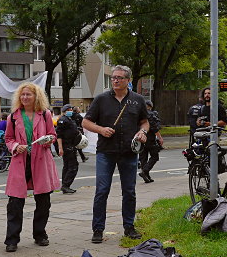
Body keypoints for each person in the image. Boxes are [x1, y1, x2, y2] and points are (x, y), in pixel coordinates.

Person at [83, 65, 149, 243]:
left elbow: (144, 122)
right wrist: (101, 129)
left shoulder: (137, 100)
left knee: (129, 191)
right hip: (106, 151)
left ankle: (129, 227)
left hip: (129, 152)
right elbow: (86, 122)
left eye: (119, 77)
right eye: (113, 77)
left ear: (128, 80)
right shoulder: (101, 99)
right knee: (102, 190)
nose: (115, 80)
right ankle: (98, 229)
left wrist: (143, 132)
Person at [4, 83, 59, 252]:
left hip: (41, 161)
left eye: (29, 95)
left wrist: (47, 140)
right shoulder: (13, 116)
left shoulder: (45, 114)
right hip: (20, 161)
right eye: (23, 95)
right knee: (15, 202)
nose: (25, 97)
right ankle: (12, 240)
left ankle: (40, 234)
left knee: (43, 201)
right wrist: (15, 146)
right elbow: (8, 138)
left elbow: (53, 135)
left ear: (36, 97)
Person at [56, 104, 80, 194]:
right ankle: (66, 185)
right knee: (73, 166)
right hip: (67, 146)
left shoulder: (70, 119)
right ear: (65, 110)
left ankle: (65, 185)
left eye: (71, 109)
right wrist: (60, 148)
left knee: (67, 166)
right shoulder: (62, 120)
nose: (71, 111)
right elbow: (59, 135)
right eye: (69, 109)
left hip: (71, 145)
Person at [139, 100, 164, 183]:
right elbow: (154, 127)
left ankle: (146, 176)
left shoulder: (138, 114)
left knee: (143, 158)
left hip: (140, 138)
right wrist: (160, 137)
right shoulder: (151, 114)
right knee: (155, 156)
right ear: (149, 106)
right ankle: (145, 171)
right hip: (150, 139)